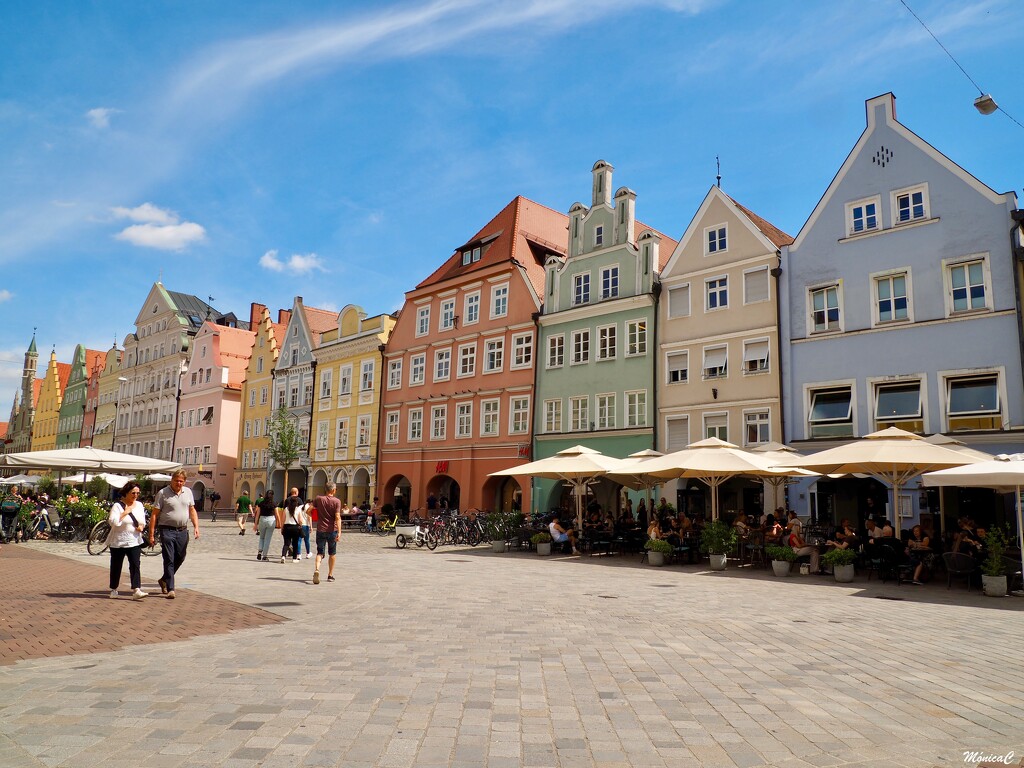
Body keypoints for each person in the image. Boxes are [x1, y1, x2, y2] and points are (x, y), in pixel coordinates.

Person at [147, 469, 200, 599]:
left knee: (180, 557)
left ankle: (164, 579)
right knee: (169, 558)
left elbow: (192, 510)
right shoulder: (163, 493)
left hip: (182, 530)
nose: (179, 483)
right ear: (172, 480)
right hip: (166, 530)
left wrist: (196, 526)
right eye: (176, 480)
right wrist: (152, 534)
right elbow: (154, 514)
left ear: (185, 482)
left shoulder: (188, 492)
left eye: (181, 481)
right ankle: (171, 589)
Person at [107, 484, 148, 600]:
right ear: (126, 493)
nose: (136, 495)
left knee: (135, 565)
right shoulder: (117, 506)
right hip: (118, 541)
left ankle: (137, 589)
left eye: (138, 493)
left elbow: (142, 521)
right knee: (116, 566)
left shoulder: (139, 505)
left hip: (134, 540)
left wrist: (141, 527)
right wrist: (125, 512)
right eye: (133, 493)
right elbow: (113, 522)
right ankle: (114, 589)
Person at [312, 482, 343, 584]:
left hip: (321, 529)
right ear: (333, 490)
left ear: (325, 489)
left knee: (320, 552)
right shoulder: (337, 501)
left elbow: (309, 510)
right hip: (332, 530)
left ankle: (317, 569)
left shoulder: (318, 499)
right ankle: (330, 575)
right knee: (332, 553)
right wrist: (339, 531)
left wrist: (314, 517)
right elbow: (337, 517)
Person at [279, 488, 305, 563]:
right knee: (295, 543)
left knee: (286, 543)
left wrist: (282, 528)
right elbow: (300, 520)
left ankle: (283, 556)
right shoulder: (298, 509)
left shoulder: (286, 509)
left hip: (287, 527)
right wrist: (300, 525)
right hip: (295, 528)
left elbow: (283, 519)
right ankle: (294, 558)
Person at [254, 490, 277, 561]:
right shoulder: (273, 503)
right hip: (271, 520)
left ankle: (259, 551)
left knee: (261, 537)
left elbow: (257, 514)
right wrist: (279, 523)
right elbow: (277, 514)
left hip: (262, 519)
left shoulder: (261, 503)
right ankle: (265, 556)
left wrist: (255, 524)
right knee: (267, 539)